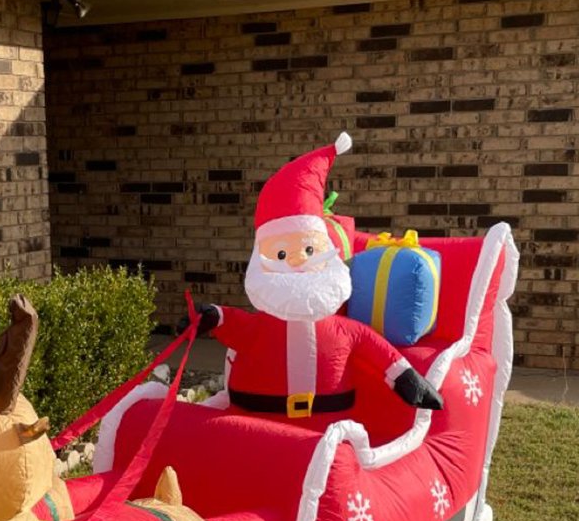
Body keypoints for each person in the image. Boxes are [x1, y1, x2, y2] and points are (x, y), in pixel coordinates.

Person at [185, 132, 443, 421]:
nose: (296, 262)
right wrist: (213, 316)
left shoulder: (344, 330)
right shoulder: (261, 328)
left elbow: (374, 348)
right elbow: (238, 325)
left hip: (327, 426)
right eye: (281, 255)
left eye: (309, 250)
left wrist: (406, 378)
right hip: (258, 421)